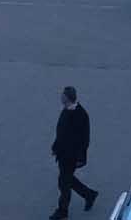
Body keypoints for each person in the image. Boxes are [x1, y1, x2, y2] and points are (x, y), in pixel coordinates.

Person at [49, 86, 97, 219]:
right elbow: (61, 132)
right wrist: (55, 146)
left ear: (68, 98)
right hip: (63, 154)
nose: (61, 97)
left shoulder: (81, 115)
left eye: (63, 95)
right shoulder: (66, 110)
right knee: (66, 180)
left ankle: (62, 211)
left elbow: (85, 139)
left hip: (71, 156)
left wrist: (81, 158)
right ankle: (89, 195)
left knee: (64, 183)